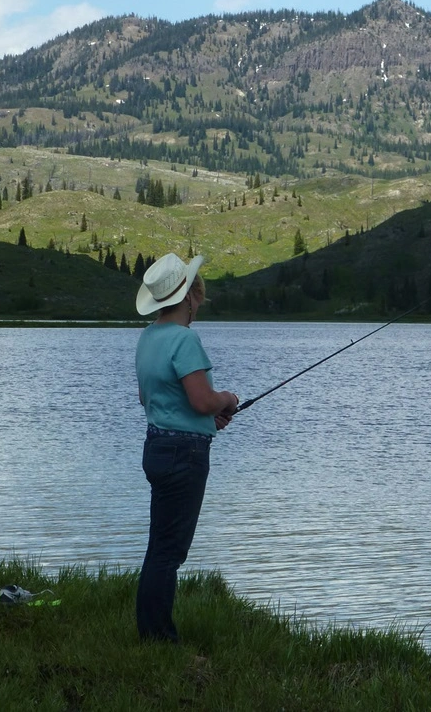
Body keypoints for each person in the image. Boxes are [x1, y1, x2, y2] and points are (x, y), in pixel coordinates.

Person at [134, 252, 239, 642]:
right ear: (190, 296)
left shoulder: (148, 337)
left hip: (157, 447)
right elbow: (201, 399)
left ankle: (150, 632)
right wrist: (226, 399)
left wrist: (204, 421)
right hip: (185, 456)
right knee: (170, 552)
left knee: (159, 545)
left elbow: (150, 399)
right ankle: (159, 637)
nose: (200, 302)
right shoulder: (185, 339)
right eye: (198, 294)